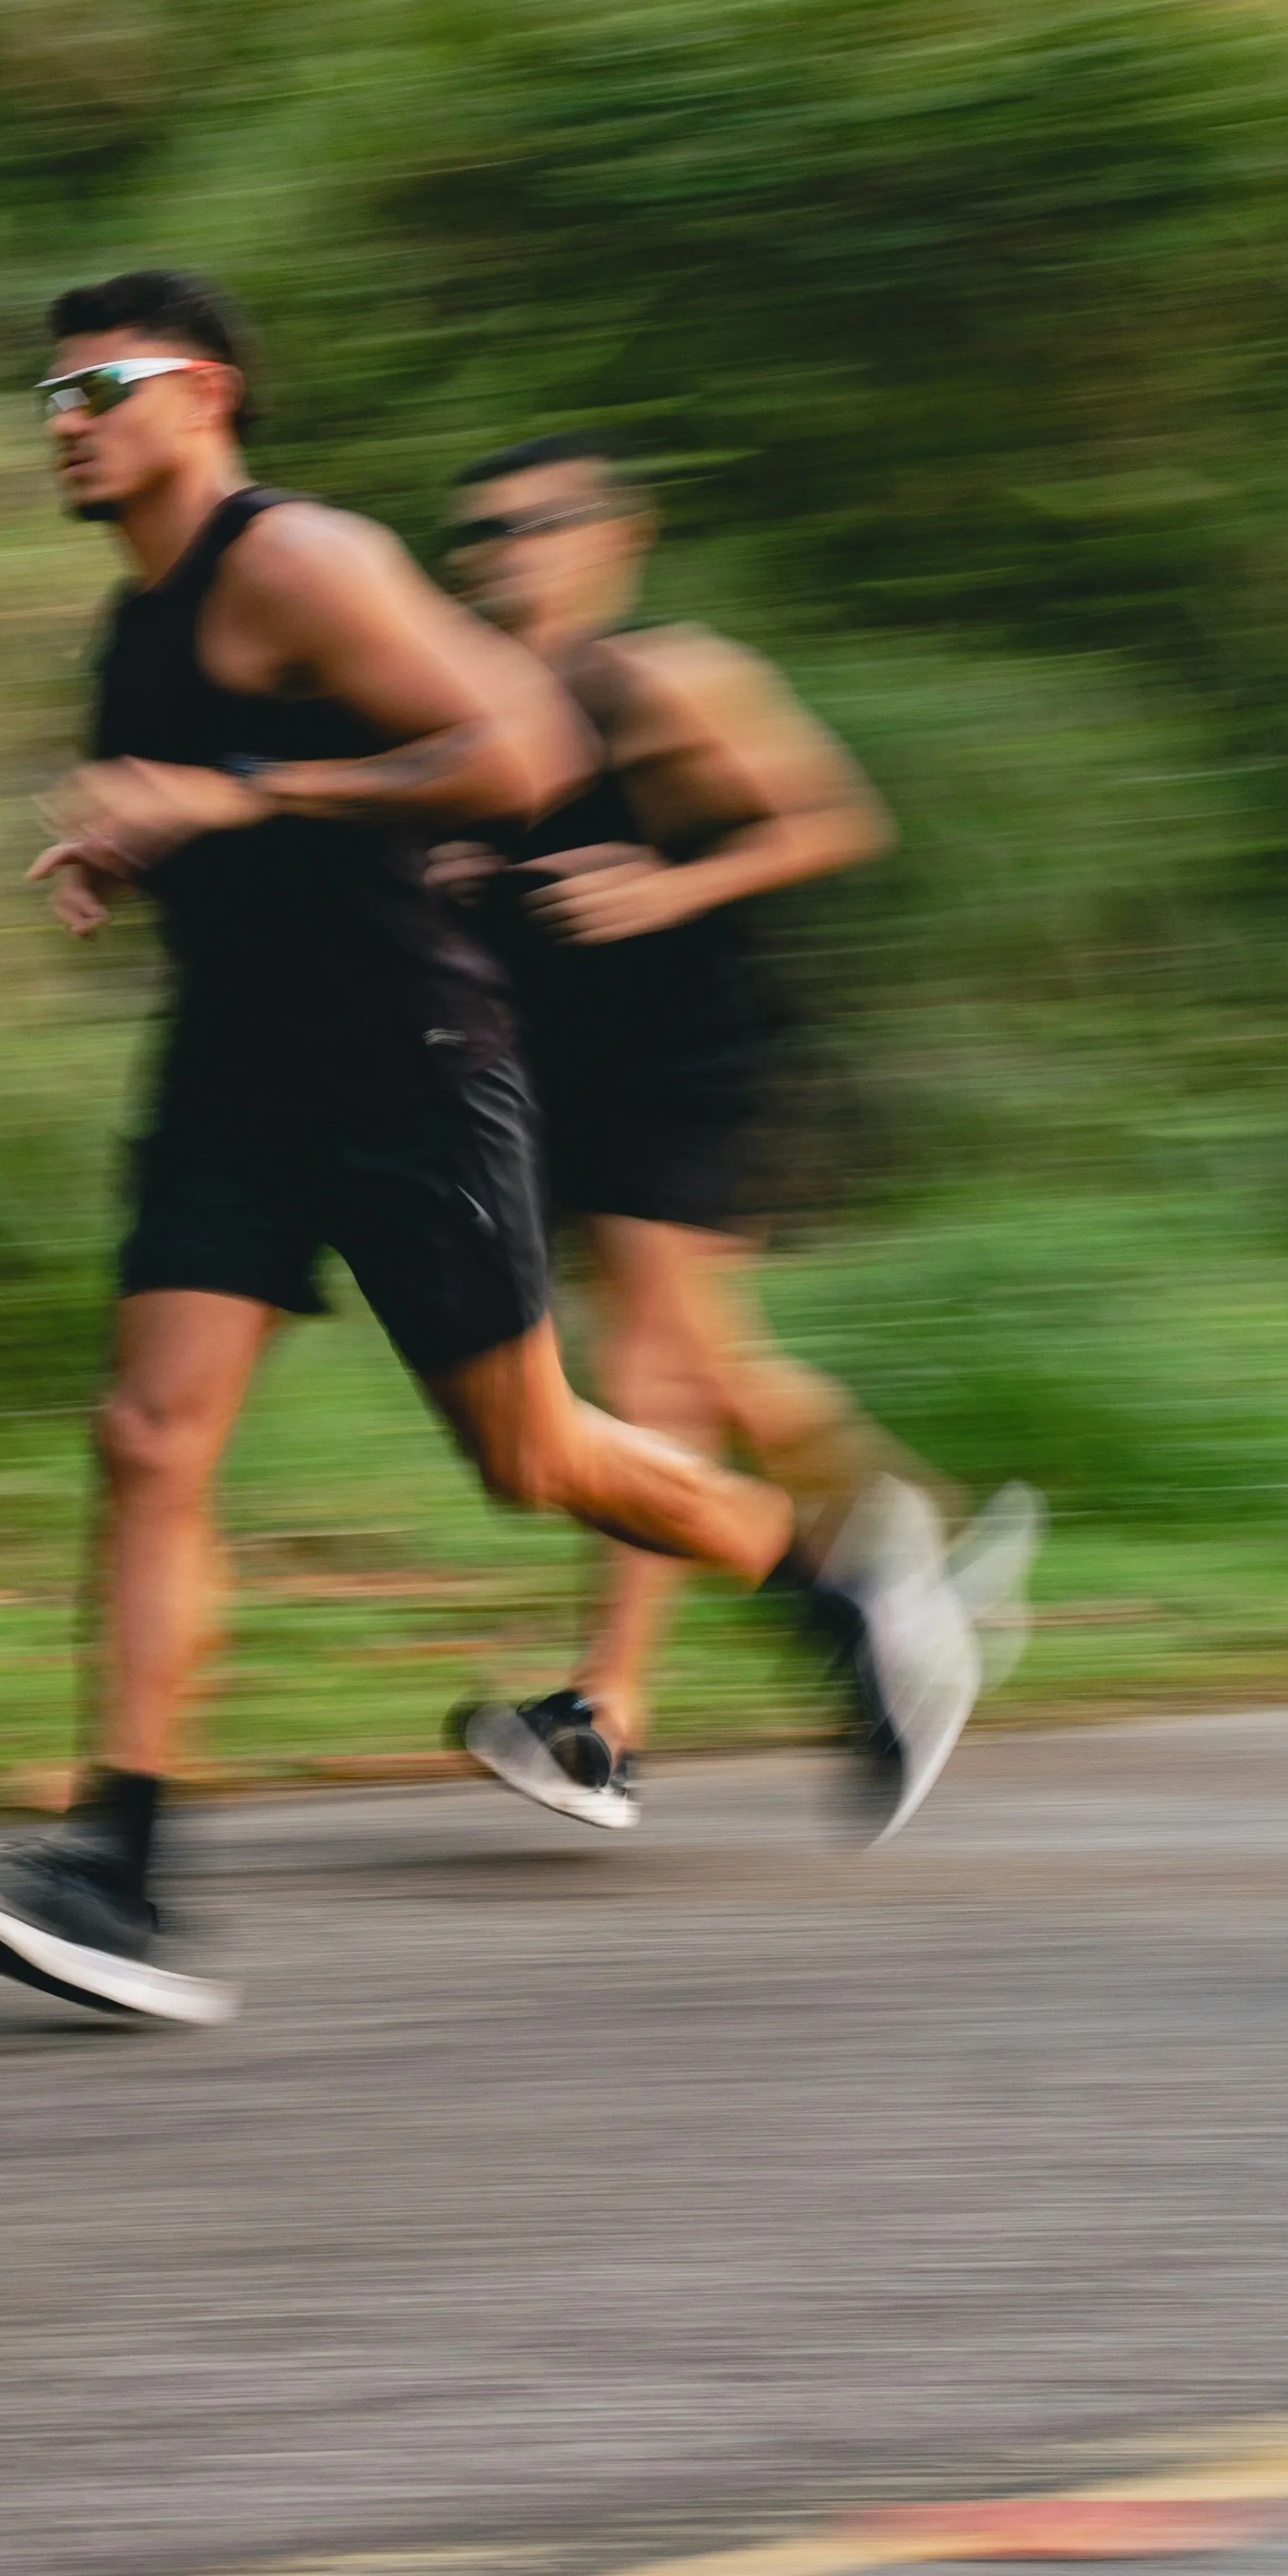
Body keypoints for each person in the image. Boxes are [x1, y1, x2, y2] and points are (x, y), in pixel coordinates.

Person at [0, 274, 986, 2027]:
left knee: (530, 1451)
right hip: (230, 1073)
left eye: (99, 385)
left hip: (403, 1065)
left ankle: (828, 1579)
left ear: (208, 395)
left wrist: (230, 799)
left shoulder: (297, 559)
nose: (64, 420)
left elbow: (520, 749)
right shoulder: (135, 618)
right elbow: (216, 805)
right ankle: (119, 1875)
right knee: (142, 1437)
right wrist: (129, 847)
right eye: (49, 395)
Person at [431, 435, 1028, 1831]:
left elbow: (832, 821)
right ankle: (920, 1563)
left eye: (533, 522)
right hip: (555, 1059)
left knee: (647, 1369)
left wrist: (669, 886)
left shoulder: (671, 672)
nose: (501, 550)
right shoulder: (483, 691)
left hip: (684, 1047)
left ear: (612, 533)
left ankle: (603, 1713)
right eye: (478, 531)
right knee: (710, 1364)